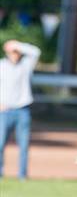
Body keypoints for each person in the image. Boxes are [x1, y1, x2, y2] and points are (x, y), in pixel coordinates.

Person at [0, 40, 40, 179]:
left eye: (17, 52)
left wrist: (17, 44)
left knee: (23, 146)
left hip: (22, 110)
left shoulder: (25, 65)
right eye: (12, 51)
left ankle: (22, 175)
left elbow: (35, 52)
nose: (15, 54)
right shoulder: (2, 66)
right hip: (4, 111)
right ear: (7, 53)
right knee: (0, 144)